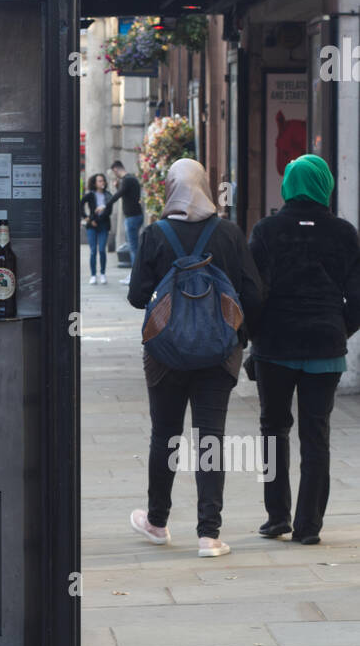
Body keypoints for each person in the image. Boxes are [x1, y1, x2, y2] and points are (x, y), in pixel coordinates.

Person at [127, 159, 264, 556]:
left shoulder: (155, 234)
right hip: (218, 354)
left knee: (164, 436)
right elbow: (254, 294)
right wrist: (240, 337)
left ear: (171, 188)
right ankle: (209, 534)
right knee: (211, 439)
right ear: (205, 186)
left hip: (165, 355)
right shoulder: (229, 234)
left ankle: (156, 521)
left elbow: (137, 297)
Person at [247, 154, 360, 545]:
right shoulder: (345, 233)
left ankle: (277, 516)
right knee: (317, 436)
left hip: (274, 348)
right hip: (325, 349)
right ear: (324, 184)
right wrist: (338, 330)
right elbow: (358, 298)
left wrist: (255, 337)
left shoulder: (265, 231)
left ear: (289, 185)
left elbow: (252, 294)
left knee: (273, 430)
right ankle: (309, 526)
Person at [110, 159, 143, 284]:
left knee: (133, 248)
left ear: (117, 169)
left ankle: (134, 276)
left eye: (115, 172)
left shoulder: (127, 180)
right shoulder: (132, 179)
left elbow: (119, 195)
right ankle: (134, 274)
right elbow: (129, 194)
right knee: (134, 246)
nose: (116, 175)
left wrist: (106, 205)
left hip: (132, 218)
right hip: (137, 216)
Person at [82, 172, 112, 284]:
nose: (102, 182)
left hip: (103, 225)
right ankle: (93, 275)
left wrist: (97, 220)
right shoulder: (90, 194)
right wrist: (87, 218)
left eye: (103, 180)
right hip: (92, 226)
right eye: (99, 181)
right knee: (93, 251)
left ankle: (103, 273)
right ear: (94, 183)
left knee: (102, 250)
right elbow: (80, 205)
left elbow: (109, 210)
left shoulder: (108, 195)